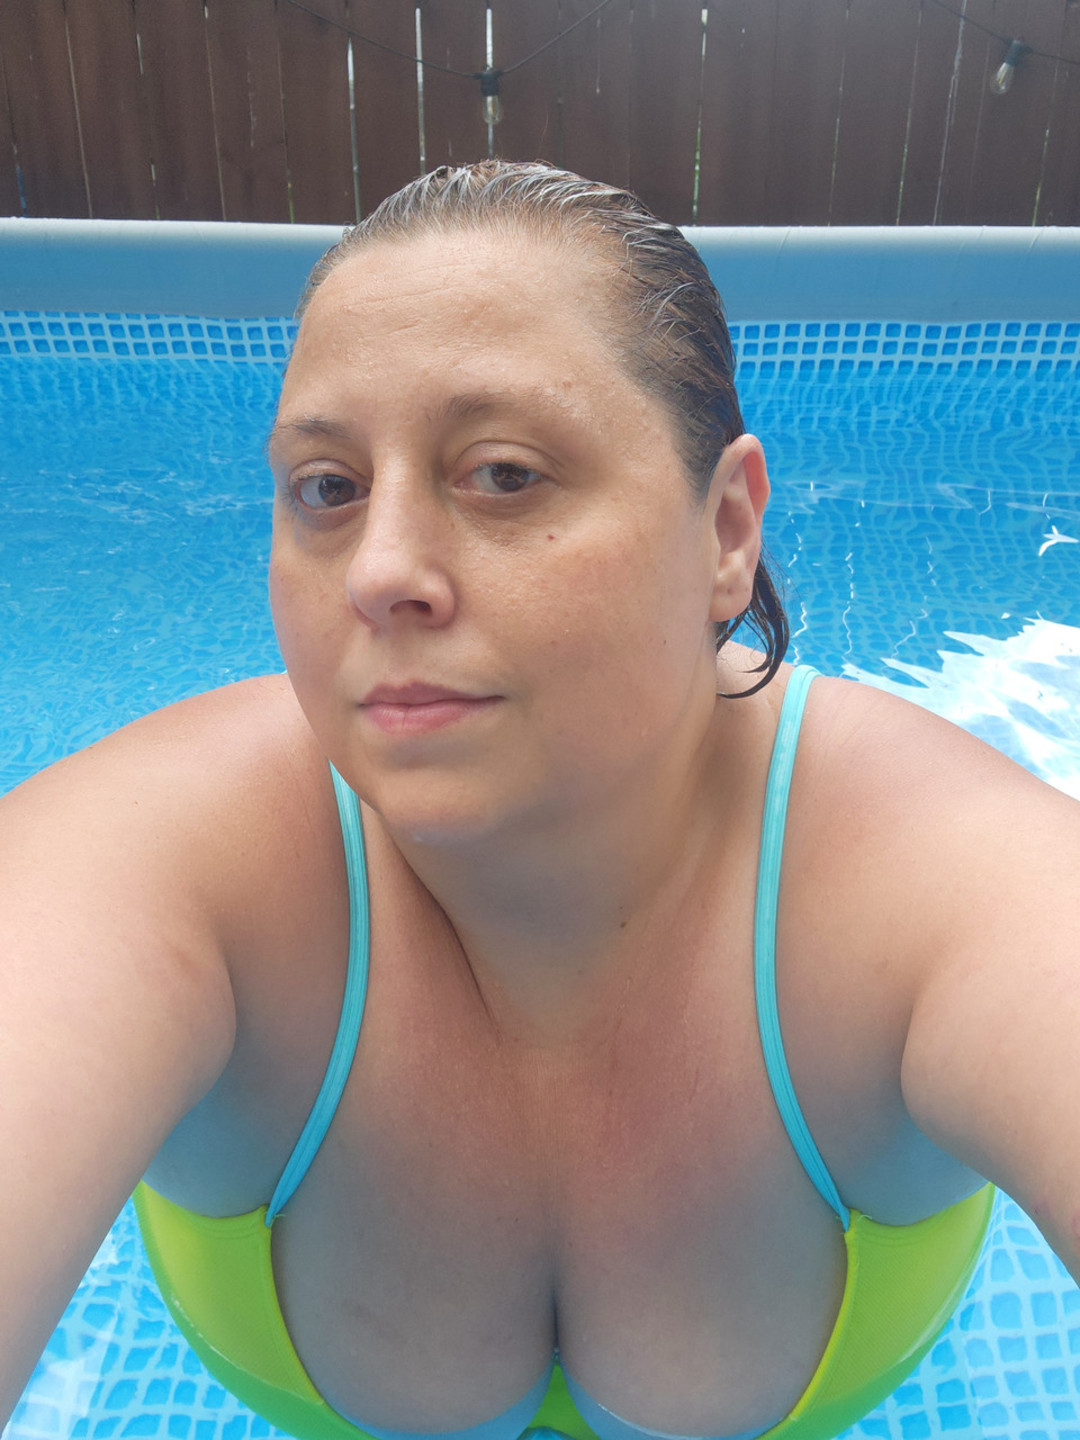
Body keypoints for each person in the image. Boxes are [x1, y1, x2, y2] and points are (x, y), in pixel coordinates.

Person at [2, 160, 1079, 1440]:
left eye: (504, 474)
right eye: (327, 487)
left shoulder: (939, 880)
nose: (379, 572)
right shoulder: (162, 861)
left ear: (727, 531)